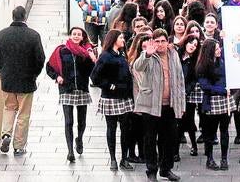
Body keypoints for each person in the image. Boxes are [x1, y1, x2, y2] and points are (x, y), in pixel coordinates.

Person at [131, 28, 186, 182]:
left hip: (170, 105)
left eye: (163, 41)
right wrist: (147, 54)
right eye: (157, 41)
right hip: (151, 104)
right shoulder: (149, 55)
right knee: (150, 139)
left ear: (168, 42)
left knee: (169, 138)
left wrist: (181, 104)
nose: (160, 44)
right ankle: (151, 170)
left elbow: (180, 79)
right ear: (153, 42)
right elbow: (137, 67)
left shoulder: (173, 54)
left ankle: (166, 169)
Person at [0, 5, 46, 156]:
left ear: (13, 17)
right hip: (26, 81)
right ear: (25, 17)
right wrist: (34, 73)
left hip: (8, 81)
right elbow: (40, 59)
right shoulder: (33, 36)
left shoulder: (2, 34)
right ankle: (19, 146)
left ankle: (6, 134)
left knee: (9, 108)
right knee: (23, 114)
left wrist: (4, 71)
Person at [46, 26, 97, 163]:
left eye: (78, 34)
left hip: (82, 88)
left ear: (82, 37)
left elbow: (93, 70)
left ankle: (79, 139)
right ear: (70, 36)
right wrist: (57, 76)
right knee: (68, 121)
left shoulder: (87, 52)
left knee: (82, 121)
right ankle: (70, 151)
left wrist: (93, 58)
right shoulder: (61, 50)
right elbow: (49, 66)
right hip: (66, 89)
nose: (76, 36)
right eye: (74, 34)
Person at [90, 29, 135, 171]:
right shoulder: (105, 56)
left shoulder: (122, 54)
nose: (123, 40)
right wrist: (109, 86)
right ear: (114, 39)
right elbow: (95, 77)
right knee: (111, 128)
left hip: (125, 97)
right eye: (121, 37)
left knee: (126, 129)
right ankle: (113, 159)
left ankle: (124, 159)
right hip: (111, 97)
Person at [196, 38, 232, 170]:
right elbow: (205, 86)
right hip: (211, 101)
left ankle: (224, 158)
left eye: (219, 48)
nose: (219, 50)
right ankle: (210, 159)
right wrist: (222, 90)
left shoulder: (222, 62)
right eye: (216, 48)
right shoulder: (203, 66)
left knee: (224, 131)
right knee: (210, 132)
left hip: (225, 100)